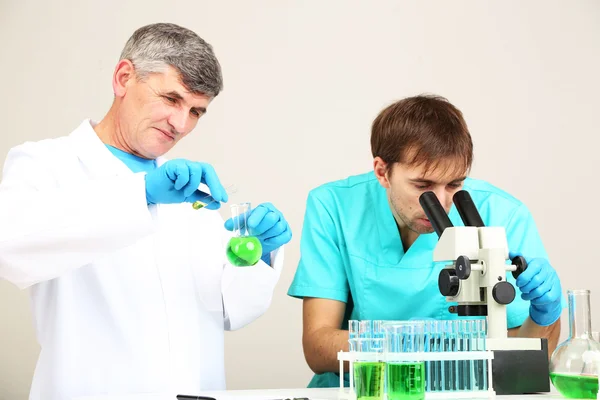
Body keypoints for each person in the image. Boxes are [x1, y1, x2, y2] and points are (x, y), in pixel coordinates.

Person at [0, 23, 292, 400]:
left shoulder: (189, 192)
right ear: (124, 78)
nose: (181, 124)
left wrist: (258, 251)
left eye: (196, 112)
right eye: (171, 99)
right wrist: (142, 195)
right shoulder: (46, 163)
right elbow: (10, 247)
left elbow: (230, 309)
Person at [287, 94, 563, 387]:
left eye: (455, 184)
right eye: (423, 185)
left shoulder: (503, 213)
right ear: (382, 171)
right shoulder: (335, 206)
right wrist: (425, 346)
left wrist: (546, 314)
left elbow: (525, 360)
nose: (442, 202)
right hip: (363, 390)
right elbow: (318, 347)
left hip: (463, 391)